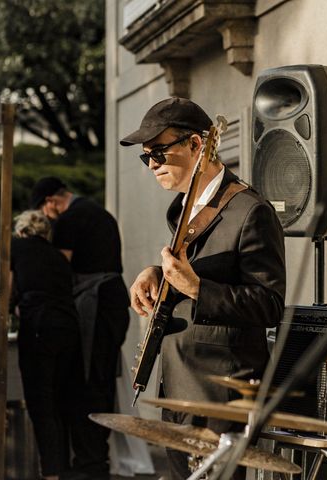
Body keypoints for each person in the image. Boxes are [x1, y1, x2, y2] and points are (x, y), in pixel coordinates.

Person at [122, 97, 286, 479]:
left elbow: (269, 304)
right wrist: (156, 274)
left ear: (197, 145)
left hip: (221, 396)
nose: (152, 166)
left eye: (159, 153)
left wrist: (197, 289)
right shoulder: (182, 208)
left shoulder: (250, 211)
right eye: (146, 157)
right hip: (177, 386)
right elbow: (192, 270)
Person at [30, 177, 130, 480]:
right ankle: (96, 459)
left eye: (44, 211)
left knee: (87, 382)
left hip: (94, 306)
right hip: (114, 302)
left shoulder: (70, 220)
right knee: (101, 379)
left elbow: (59, 270)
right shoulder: (98, 212)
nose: (46, 217)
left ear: (51, 201)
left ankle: (91, 464)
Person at [10, 210, 82, 480]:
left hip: (40, 327)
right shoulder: (57, 256)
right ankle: (61, 469)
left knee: (40, 402)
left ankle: (50, 473)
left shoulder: (16, 247)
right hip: (69, 327)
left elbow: (7, 287)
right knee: (60, 400)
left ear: (21, 231)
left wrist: (13, 307)